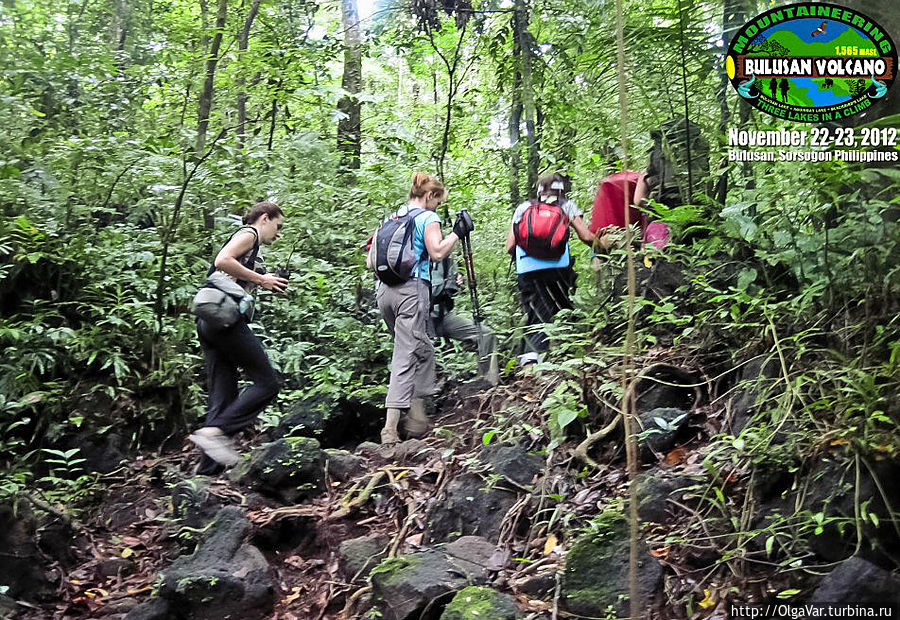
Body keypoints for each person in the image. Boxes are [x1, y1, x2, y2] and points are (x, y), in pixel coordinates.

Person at [369, 173, 472, 443]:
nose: (438, 207)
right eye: (438, 201)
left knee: (422, 348)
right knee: (405, 354)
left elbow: (371, 261)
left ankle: (419, 415)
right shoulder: (427, 218)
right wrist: (456, 234)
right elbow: (437, 252)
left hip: (384, 292)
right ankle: (390, 429)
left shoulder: (392, 217)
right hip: (411, 290)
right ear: (429, 196)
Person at [190, 202, 288, 474]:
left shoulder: (251, 242)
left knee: (223, 395)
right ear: (265, 218)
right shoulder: (250, 234)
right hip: (224, 319)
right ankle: (217, 432)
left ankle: (207, 472)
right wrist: (261, 280)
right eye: (277, 227)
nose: (277, 234)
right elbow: (223, 260)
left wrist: (263, 280)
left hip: (209, 321)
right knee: (267, 383)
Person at [506, 173, 593, 365]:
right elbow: (586, 237)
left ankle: (530, 362)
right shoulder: (567, 206)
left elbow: (510, 246)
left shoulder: (524, 207)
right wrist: (603, 246)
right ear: (561, 189)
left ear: (539, 190)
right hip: (558, 270)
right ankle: (573, 355)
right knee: (563, 308)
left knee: (536, 314)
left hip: (527, 269)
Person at [429, 256, 499, 385]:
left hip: (443, 316)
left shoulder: (445, 261)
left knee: (486, 334)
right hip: (419, 319)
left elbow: (452, 291)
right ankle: (420, 399)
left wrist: (455, 283)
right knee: (420, 352)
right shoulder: (412, 260)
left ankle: (487, 383)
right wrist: (443, 285)